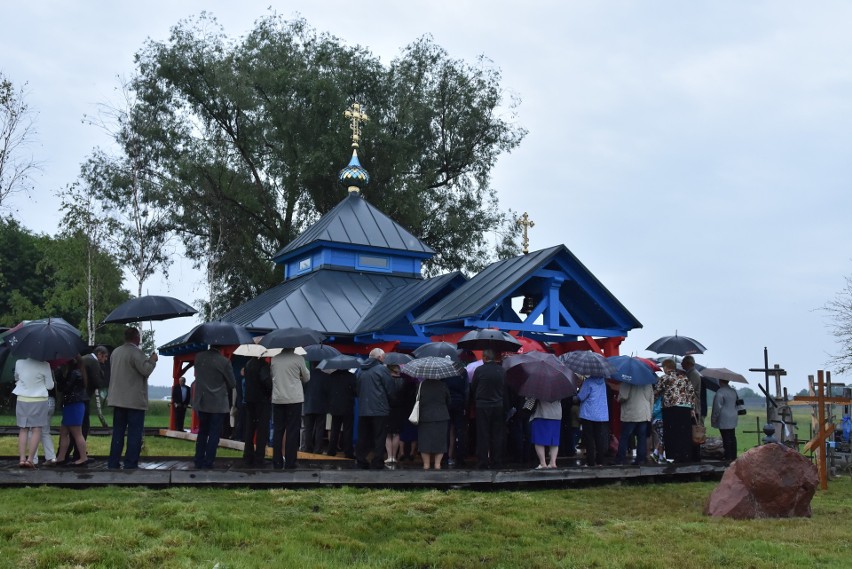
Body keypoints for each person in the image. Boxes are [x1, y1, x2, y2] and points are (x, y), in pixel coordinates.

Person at [107, 327, 158, 470]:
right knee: (134, 434)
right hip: (134, 401)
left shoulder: (115, 352)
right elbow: (145, 370)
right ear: (136, 338)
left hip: (117, 399)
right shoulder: (136, 353)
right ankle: (130, 463)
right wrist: (152, 360)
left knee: (118, 433)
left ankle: (113, 462)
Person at [192, 345, 236, 469]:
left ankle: (198, 459)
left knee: (202, 432)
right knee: (214, 433)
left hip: (202, 401)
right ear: (220, 347)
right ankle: (208, 461)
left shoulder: (199, 358)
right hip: (218, 403)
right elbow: (232, 383)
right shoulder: (224, 361)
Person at [355, 348, 400, 469]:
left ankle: (361, 461)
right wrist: (393, 402)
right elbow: (390, 389)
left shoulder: (360, 370)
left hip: (364, 409)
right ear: (379, 358)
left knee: (363, 436)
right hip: (380, 409)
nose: (384, 359)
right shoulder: (382, 369)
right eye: (384, 357)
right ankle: (377, 462)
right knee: (379, 436)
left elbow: (356, 389)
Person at [270, 347, 310, 469]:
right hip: (294, 399)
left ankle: (277, 461)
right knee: (292, 431)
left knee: (278, 430)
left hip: (278, 398)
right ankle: (290, 462)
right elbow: (307, 377)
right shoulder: (299, 359)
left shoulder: (274, 359)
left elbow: (273, 375)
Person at [13, 357, 54, 468]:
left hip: (22, 399)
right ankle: (30, 460)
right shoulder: (45, 364)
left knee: (23, 429)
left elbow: (17, 378)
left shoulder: (19, 362)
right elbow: (50, 385)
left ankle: (22, 459)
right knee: (37, 429)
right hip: (39, 400)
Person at [70, 346, 108, 461]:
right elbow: (98, 382)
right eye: (105, 357)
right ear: (100, 354)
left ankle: (67, 454)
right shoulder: (93, 362)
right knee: (83, 427)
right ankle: (79, 454)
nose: (105, 360)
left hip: (73, 397)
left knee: (71, 427)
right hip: (83, 397)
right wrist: (102, 371)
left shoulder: (84, 359)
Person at [653, 359, 696, 464]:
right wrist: (692, 408)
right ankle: (685, 455)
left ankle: (675, 456)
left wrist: (652, 401)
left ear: (666, 367)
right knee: (684, 432)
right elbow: (691, 393)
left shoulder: (665, 378)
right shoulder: (684, 377)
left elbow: (657, 392)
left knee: (672, 432)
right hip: (685, 408)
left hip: (670, 408)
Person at [470, 349, 507, 469]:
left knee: (483, 434)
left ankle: (483, 461)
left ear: (485, 358)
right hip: (498, 405)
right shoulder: (501, 370)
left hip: (482, 405)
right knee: (497, 434)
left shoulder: (479, 370)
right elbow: (505, 389)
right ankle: (497, 461)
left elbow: (474, 387)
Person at [55, 355, 92, 466]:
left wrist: (59, 375)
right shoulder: (79, 372)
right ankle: (61, 457)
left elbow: (65, 388)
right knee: (64, 432)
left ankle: (83, 457)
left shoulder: (74, 373)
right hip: (73, 404)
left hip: (73, 404)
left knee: (76, 433)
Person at [242, 355, 272, 467]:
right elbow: (266, 381)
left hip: (249, 400)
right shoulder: (263, 365)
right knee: (262, 430)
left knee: (249, 429)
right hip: (262, 400)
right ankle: (259, 457)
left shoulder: (248, 364)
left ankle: (247, 455)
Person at [615, 381, 653, 465]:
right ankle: (640, 460)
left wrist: (618, 398)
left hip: (631, 413)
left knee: (624, 437)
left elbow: (624, 396)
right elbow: (650, 397)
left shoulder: (628, 380)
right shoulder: (648, 382)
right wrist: (650, 413)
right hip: (644, 414)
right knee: (641, 438)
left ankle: (621, 459)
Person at [417, 377, 451, 470]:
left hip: (425, 417)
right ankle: (437, 464)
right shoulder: (443, 385)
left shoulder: (421, 385)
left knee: (424, 441)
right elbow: (449, 400)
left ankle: (426, 465)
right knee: (440, 441)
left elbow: (417, 400)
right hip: (441, 416)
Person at [577, 375, 609, 466]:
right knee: (599, 438)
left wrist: (578, 393)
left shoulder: (589, 382)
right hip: (600, 415)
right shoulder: (603, 382)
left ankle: (590, 461)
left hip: (588, 414)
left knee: (589, 439)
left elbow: (581, 397)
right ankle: (600, 461)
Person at [325, 368, 356, 458]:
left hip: (335, 406)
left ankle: (331, 450)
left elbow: (327, 390)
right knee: (348, 430)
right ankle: (348, 452)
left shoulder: (331, 376)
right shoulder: (351, 376)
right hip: (348, 406)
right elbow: (356, 391)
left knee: (335, 429)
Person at [682, 355, 704, 462]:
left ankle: (695, 456)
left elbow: (690, 389)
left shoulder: (693, 374)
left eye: (683, 362)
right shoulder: (691, 374)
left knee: (695, 432)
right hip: (691, 406)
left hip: (693, 407)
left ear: (688, 363)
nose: (681, 365)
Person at [301, 365, 328, 454]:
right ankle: (318, 449)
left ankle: (308, 448)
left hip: (308, 405)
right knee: (319, 428)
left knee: (308, 428)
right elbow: (327, 390)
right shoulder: (325, 376)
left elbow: (303, 389)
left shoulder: (307, 375)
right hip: (321, 405)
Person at [384, 363, 407, 466]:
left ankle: (389, 456)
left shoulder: (386, 381)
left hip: (387, 409)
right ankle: (394, 456)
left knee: (388, 434)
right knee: (397, 434)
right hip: (400, 409)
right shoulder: (404, 381)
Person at [711, 379, 739, 461]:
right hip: (733, 416)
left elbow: (717, 407)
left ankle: (727, 456)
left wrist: (714, 418)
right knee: (732, 436)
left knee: (725, 437)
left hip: (724, 417)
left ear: (720, 381)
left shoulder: (720, 392)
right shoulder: (733, 391)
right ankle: (734, 456)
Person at [529, 398, 562, 469]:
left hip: (541, 414)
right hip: (556, 415)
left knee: (539, 440)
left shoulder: (538, 387)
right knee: (554, 441)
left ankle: (543, 463)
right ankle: (553, 462)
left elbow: (531, 400)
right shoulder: (559, 388)